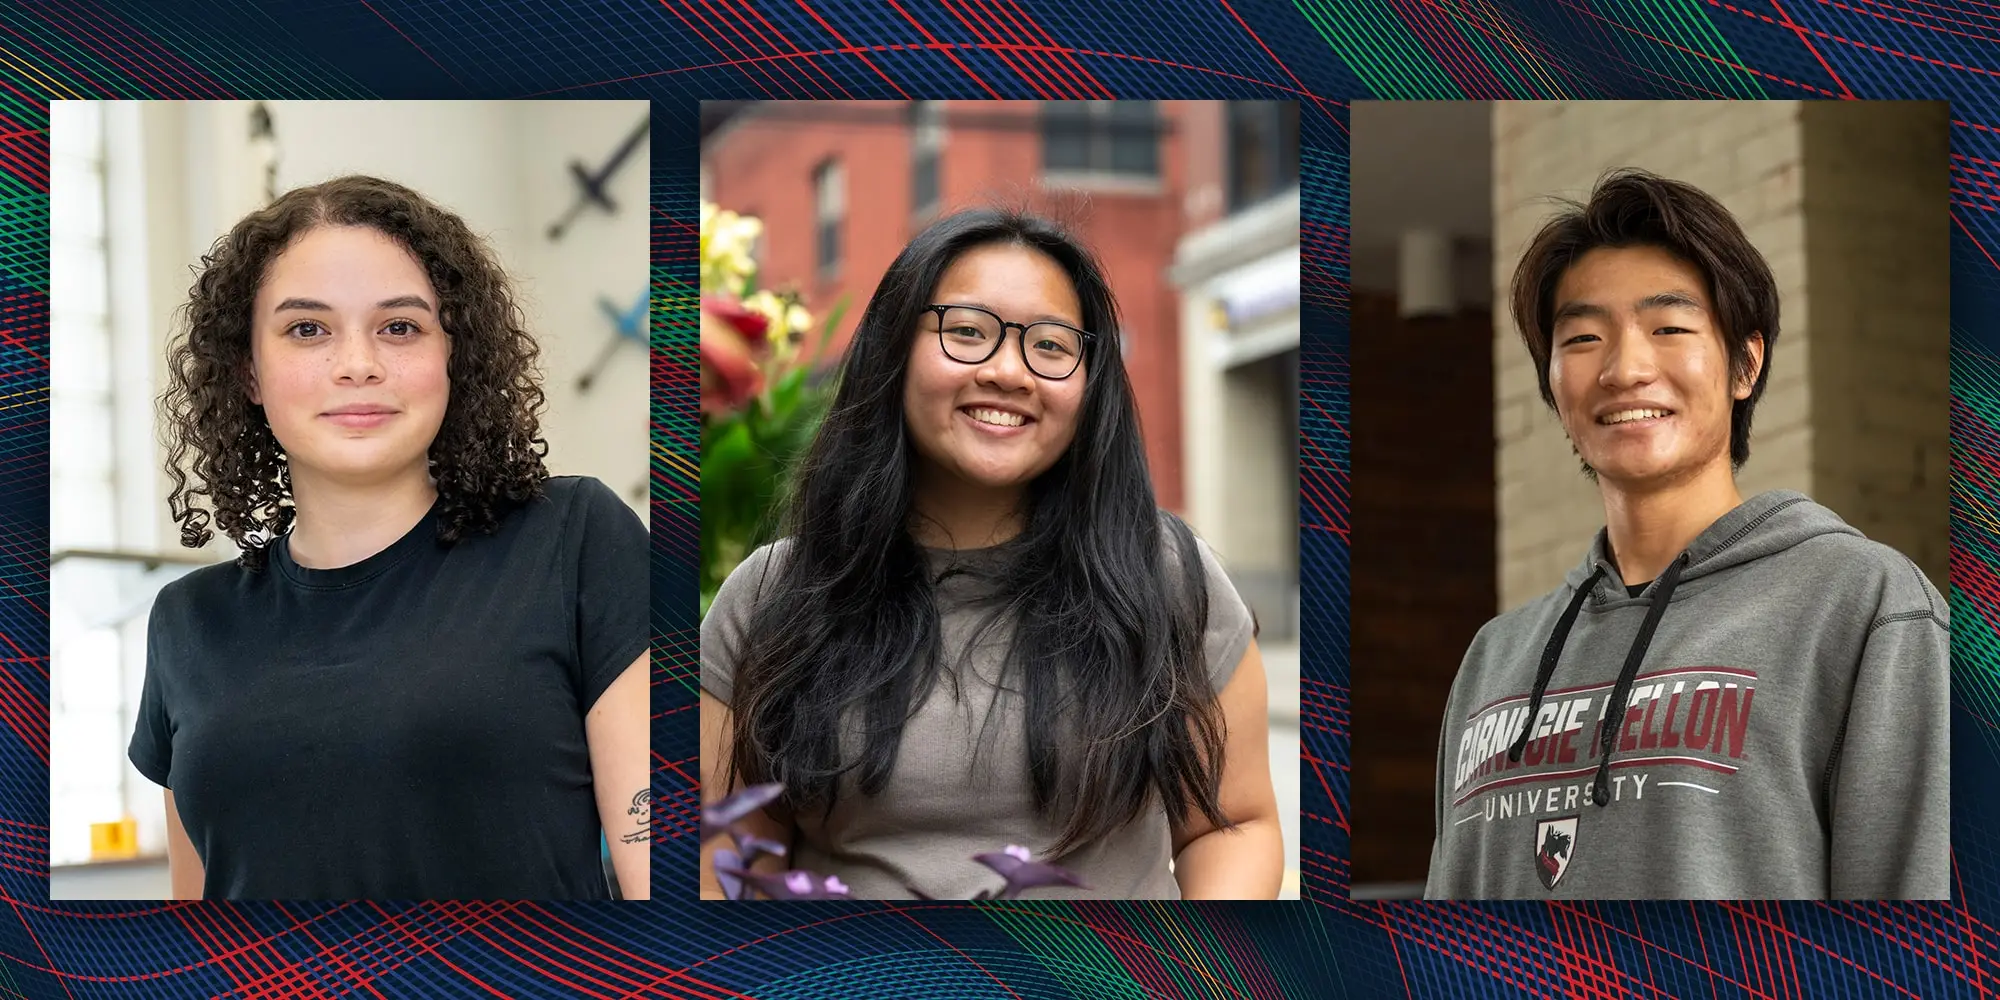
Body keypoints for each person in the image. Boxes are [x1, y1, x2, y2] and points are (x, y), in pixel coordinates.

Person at [699, 208, 1283, 899]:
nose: (1010, 371)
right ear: (894, 349)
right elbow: (733, 853)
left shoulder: (1166, 576)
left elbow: (1233, 824)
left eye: (1051, 346)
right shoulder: (775, 595)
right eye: (968, 332)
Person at [1424, 169, 1948, 900]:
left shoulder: (1863, 606)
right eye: (1582, 337)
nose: (1624, 368)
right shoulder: (1494, 659)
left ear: (1745, 364)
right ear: (1552, 384)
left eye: (1669, 328)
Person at [130, 175, 650, 900]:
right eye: (307, 329)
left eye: (399, 327)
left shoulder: (574, 539)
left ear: (451, 355)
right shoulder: (187, 622)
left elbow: (659, 873)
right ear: (249, 372)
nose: (357, 363)